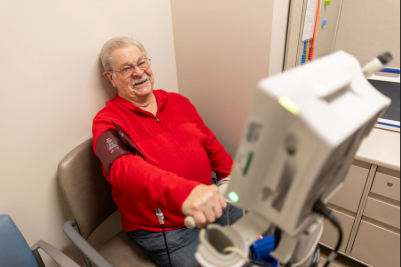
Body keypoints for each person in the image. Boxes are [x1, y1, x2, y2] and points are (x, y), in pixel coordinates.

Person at [92, 37, 244, 267]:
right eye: (126, 68)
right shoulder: (106, 123)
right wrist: (185, 194)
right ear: (110, 77)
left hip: (211, 201)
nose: (138, 72)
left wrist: (236, 180)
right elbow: (123, 170)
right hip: (166, 230)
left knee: (263, 237)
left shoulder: (178, 102)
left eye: (141, 63)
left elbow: (211, 146)